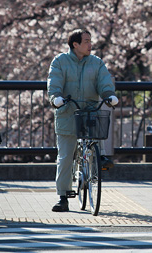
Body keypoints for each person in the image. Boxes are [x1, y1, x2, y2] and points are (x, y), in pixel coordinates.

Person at [48, 29, 118, 212]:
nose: (90, 44)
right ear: (75, 44)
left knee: (95, 137)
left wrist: (109, 95)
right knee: (65, 157)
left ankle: (98, 157)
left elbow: (104, 82)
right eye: (86, 41)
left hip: (88, 111)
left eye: (90, 40)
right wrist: (56, 97)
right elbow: (54, 82)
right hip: (66, 112)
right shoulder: (60, 62)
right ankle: (63, 196)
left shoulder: (96, 63)